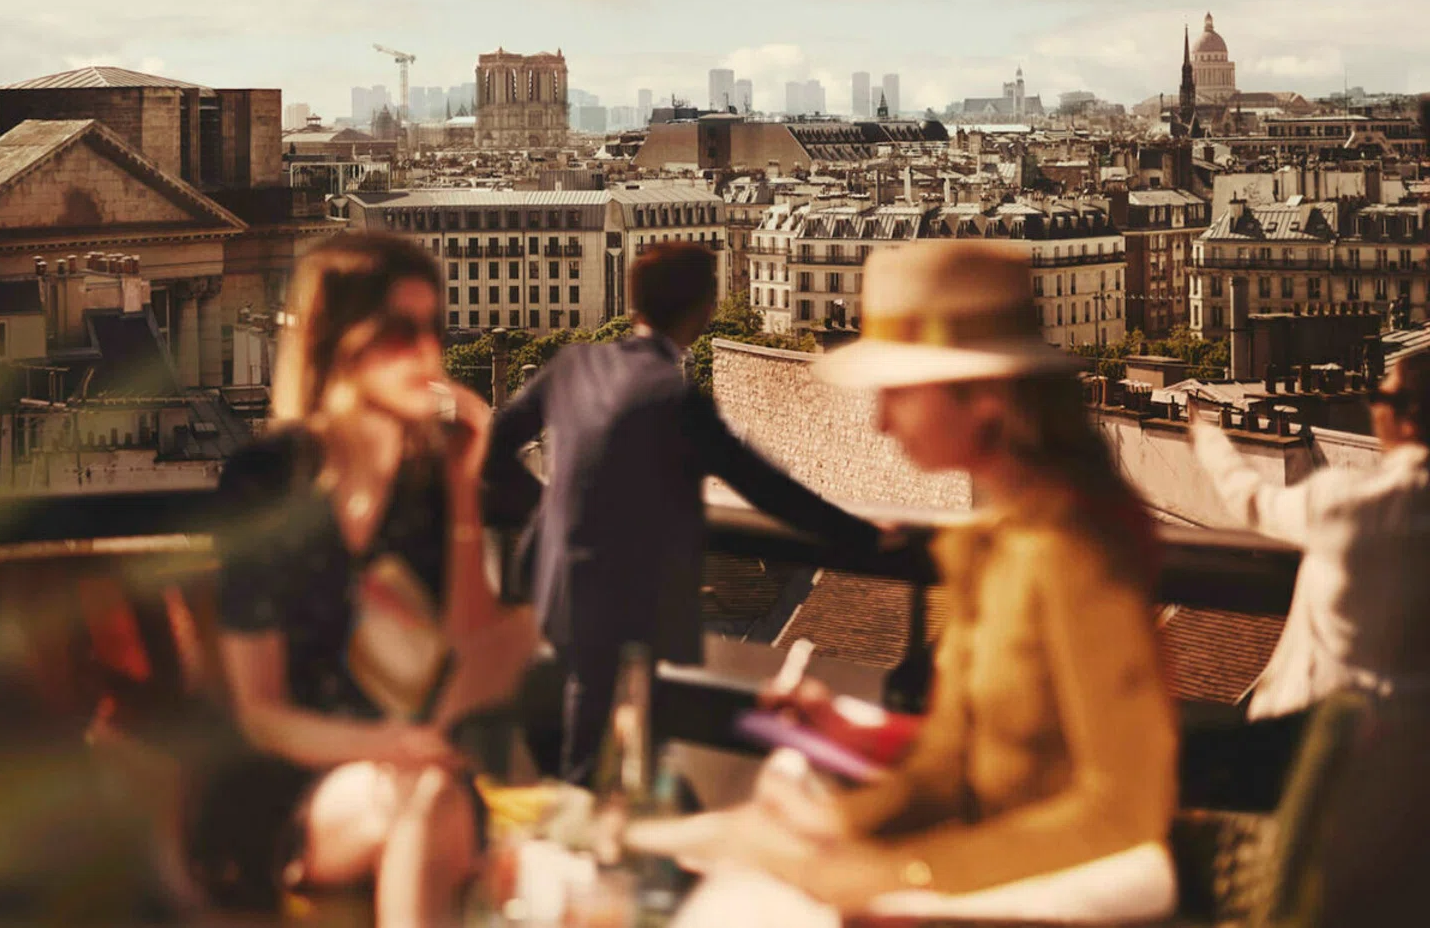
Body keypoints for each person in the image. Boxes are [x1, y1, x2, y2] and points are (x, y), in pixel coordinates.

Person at [628, 241, 1179, 923]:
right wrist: (840, 830)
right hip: (1006, 867)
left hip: (1069, 887)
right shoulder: (999, 547)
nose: (881, 421)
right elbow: (949, 767)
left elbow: (1122, 808)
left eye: (898, 392)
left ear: (984, 400)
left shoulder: (1073, 552)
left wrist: (890, 871)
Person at [198, 234, 538, 923]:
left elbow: (468, 652)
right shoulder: (267, 481)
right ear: (341, 342)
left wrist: (467, 486)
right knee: (426, 798)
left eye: (434, 327)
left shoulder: (431, 481)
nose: (426, 352)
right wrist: (391, 749)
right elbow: (260, 714)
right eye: (400, 330)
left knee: (436, 798)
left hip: (424, 767)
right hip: (299, 788)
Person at [483, 241, 881, 784]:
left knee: (587, 723)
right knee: (621, 737)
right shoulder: (675, 396)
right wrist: (865, 537)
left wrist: (546, 509)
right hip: (635, 591)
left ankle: (588, 824)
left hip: (556, 578)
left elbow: (491, 447)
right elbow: (768, 490)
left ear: (634, 303)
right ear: (702, 312)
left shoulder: (576, 364)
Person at [1178, 353, 1430, 809]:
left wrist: (1209, 439)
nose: (1373, 408)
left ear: (1408, 417)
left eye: (1381, 396)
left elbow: (1252, 501)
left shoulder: (1347, 501)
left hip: (1316, 749)